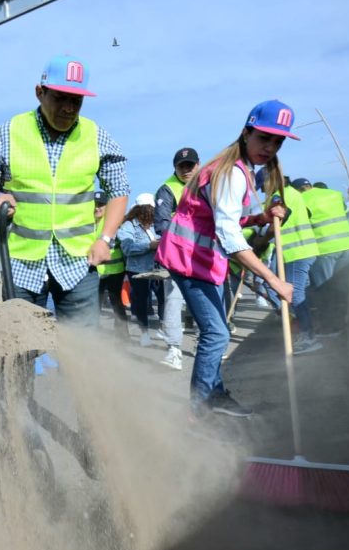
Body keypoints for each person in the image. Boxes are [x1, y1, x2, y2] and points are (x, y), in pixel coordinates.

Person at [156, 100, 296, 418]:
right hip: (188, 259)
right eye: (264, 137)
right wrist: (274, 280)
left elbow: (225, 219)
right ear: (246, 132)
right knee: (216, 333)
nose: (270, 147)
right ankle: (201, 408)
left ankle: (214, 394)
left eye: (277, 141)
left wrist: (261, 218)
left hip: (205, 262)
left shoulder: (238, 170)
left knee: (218, 330)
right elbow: (229, 236)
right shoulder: (230, 173)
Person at [0, 55, 128, 326]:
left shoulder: (96, 136)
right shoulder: (10, 132)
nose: (69, 108)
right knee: (20, 349)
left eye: (76, 101)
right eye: (60, 98)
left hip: (78, 263)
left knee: (82, 351)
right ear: (40, 92)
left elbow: (118, 190)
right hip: (22, 264)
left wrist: (105, 239)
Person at [152, 147, 199, 370]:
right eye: (182, 166)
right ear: (175, 168)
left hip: (205, 254)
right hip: (178, 255)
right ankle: (174, 349)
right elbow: (161, 225)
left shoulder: (207, 185)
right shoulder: (167, 189)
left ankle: (206, 344)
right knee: (173, 299)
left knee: (205, 299)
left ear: (198, 166)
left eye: (190, 165)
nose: (187, 170)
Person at [265, 180, 321, 354]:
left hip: (297, 251)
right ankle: (303, 330)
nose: (263, 191)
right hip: (301, 250)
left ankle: (307, 337)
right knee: (295, 292)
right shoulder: (292, 193)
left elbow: (279, 220)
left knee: (295, 293)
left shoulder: (279, 196)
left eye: (263, 187)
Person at [117, 193, 164, 351]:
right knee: (142, 301)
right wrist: (149, 246)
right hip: (138, 270)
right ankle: (144, 333)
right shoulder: (128, 226)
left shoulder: (153, 225)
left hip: (157, 268)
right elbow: (127, 248)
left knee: (164, 298)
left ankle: (164, 328)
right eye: (151, 210)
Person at [294, 178, 349, 289]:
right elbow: (347, 214)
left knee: (325, 289)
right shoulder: (334, 194)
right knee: (345, 286)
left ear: (297, 190)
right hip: (348, 245)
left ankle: (329, 306)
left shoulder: (302, 199)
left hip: (325, 249)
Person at [93, 191, 129, 335]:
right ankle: (93, 334)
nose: (97, 208)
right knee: (95, 305)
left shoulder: (113, 223)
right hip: (95, 271)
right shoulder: (88, 222)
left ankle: (123, 335)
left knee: (117, 304)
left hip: (116, 271)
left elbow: (124, 245)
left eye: (101, 204)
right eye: (95, 205)